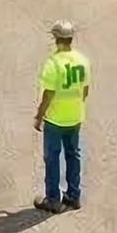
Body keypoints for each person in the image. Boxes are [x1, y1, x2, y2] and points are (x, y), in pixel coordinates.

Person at [34, 19, 91, 213]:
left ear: (55, 38)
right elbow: (85, 90)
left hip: (55, 120)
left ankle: (53, 199)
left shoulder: (53, 64)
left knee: (52, 158)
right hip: (75, 118)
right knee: (73, 155)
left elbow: (48, 94)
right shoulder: (83, 61)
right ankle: (73, 196)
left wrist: (39, 116)